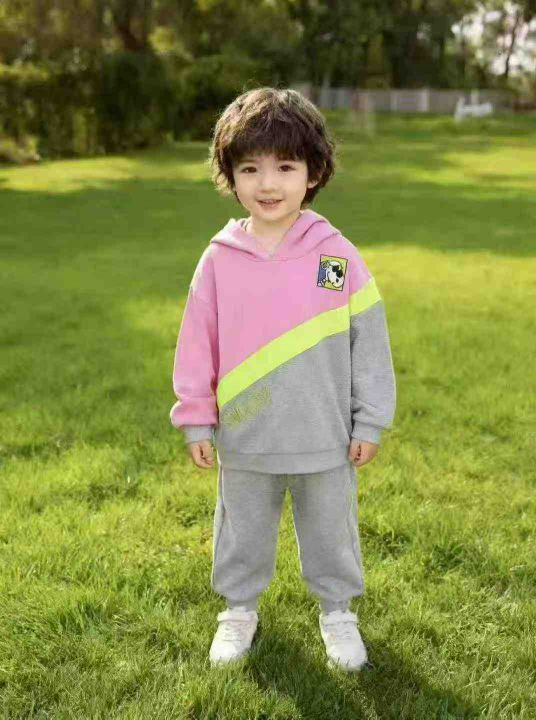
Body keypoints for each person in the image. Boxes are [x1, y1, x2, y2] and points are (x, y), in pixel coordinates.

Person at [169, 87, 397, 672]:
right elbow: (196, 342)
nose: (267, 184)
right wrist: (196, 417)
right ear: (230, 175)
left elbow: (368, 340)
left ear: (313, 172)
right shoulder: (219, 259)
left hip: (325, 436)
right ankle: (238, 610)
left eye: (285, 167)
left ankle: (338, 613)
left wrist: (369, 420)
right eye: (250, 168)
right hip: (245, 435)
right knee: (241, 531)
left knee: (330, 532)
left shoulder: (334, 257)